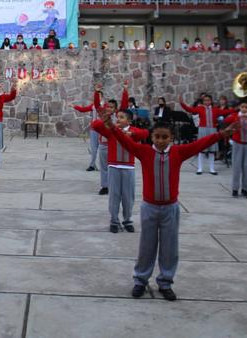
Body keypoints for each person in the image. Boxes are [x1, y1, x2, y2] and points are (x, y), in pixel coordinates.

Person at [101, 115, 238, 301]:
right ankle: (140, 280)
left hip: (170, 208)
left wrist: (221, 134)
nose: (160, 140)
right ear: (152, 137)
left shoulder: (178, 153)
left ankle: (165, 281)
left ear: (171, 138)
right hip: (149, 207)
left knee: (169, 247)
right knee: (146, 246)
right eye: (157, 136)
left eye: (165, 137)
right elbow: (125, 142)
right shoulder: (144, 152)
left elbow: (199, 144)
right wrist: (112, 127)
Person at [93, 110, 149, 233]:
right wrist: (104, 119)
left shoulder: (133, 131)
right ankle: (114, 221)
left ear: (129, 121)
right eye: (117, 117)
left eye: (122, 117)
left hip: (129, 168)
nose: (118, 119)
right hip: (113, 167)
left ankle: (127, 220)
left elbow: (145, 133)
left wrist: (131, 133)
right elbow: (95, 125)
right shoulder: (111, 130)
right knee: (114, 196)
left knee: (128, 197)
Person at [179, 94, 235, 175]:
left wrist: (235, 109)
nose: (207, 102)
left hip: (212, 130)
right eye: (205, 100)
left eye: (208, 100)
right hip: (203, 130)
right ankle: (200, 168)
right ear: (203, 101)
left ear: (211, 101)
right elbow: (189, 109)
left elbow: (225, 112)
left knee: (212, 150)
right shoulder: (199, 108)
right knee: (201, 149)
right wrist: (182, 103)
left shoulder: (215, 109)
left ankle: (212, 168)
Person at [91, 81, 131, 195]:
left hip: (115, 145)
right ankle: (105, 186)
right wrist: (97, 92)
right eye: (108, 106)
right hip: (103, 145)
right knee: (104, 167)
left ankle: (115, 186)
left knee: (115, 167)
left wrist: (125, 90)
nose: (109, 108)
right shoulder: (102, 114)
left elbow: (124, 105)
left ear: (115, 109)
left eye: (111, 107)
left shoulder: (118, 115)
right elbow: (97, 104)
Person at [70, 84, 103, 172]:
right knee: (93, 147)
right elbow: (82, 110)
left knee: (102, 148)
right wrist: (74, 106)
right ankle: (92, 164)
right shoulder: (93, 106)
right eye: (96, 96)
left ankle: (102, 165)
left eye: (99, 96)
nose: (97, 98)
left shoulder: (105, 106)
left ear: (102, 97)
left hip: (103, 130)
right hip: (94, 129)